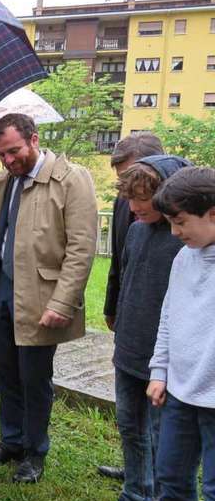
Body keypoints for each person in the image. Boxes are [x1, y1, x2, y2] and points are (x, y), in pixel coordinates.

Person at [0, 113, 97, 483]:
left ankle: (34, 451)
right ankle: (11, 441)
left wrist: (62, 302)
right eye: (0, 154)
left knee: (35, 379)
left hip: (43, 299)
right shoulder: (2, 182)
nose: (9, 161)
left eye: (13, 151)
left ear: (34, 139)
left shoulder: (72, 180)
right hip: (2, 297)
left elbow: (82, 248)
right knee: (7, 374)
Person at [91, 155, 190, 501]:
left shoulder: (186, 240)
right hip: (129, 352)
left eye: (141, 200)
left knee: (166, 440)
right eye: (128, 199)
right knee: (131, 428)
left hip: (167, 361)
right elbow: (126, 277)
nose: (132, 208)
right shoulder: (135, 230)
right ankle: (135, 500)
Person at [146, 167, 215, 501]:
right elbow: (168, 317)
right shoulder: (184, 257)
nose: (174, 232)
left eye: (181, 222)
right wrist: (159, 370)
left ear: (213, 213)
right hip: (178, 395)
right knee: (171, 479)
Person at [97, 133, 164, 482]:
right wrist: (112, 307)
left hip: (161, 334)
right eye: (122, 180)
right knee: (130, 413)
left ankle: (153, 482)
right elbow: (118, 262)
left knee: (157, 418)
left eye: (129, 176)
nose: (125, 189)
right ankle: (137, 470)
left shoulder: (180, 221)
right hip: (130, 322)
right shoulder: (127, 202)